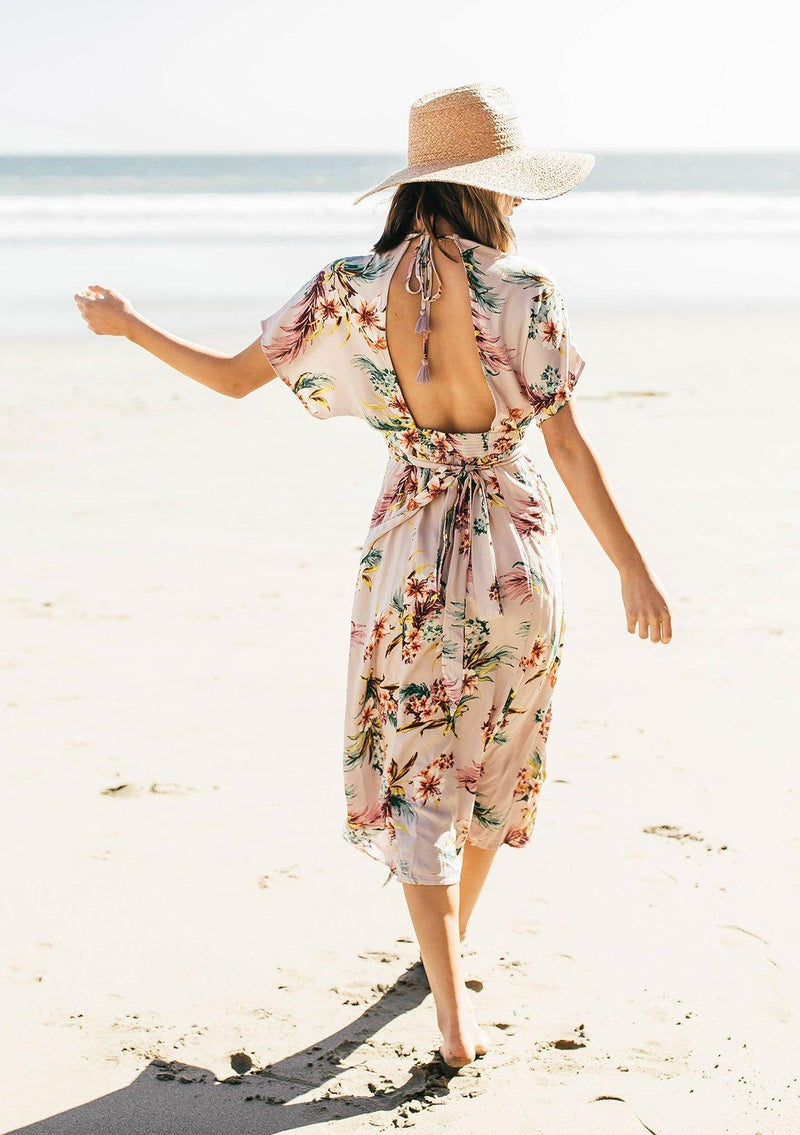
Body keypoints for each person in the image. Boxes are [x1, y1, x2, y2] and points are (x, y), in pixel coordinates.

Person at [74, 82, 672, 1074]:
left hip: (406, 549)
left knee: (415, 770)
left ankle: (446, 1000)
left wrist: (130, 327)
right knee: (496, 752)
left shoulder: (348, 286)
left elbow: (230, 379)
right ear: (482, 189)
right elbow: (565, 446)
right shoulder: (521, 289)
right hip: (514, 556)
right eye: (510, 189)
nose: (517, 207)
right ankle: (447, 960)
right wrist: (632, 574)